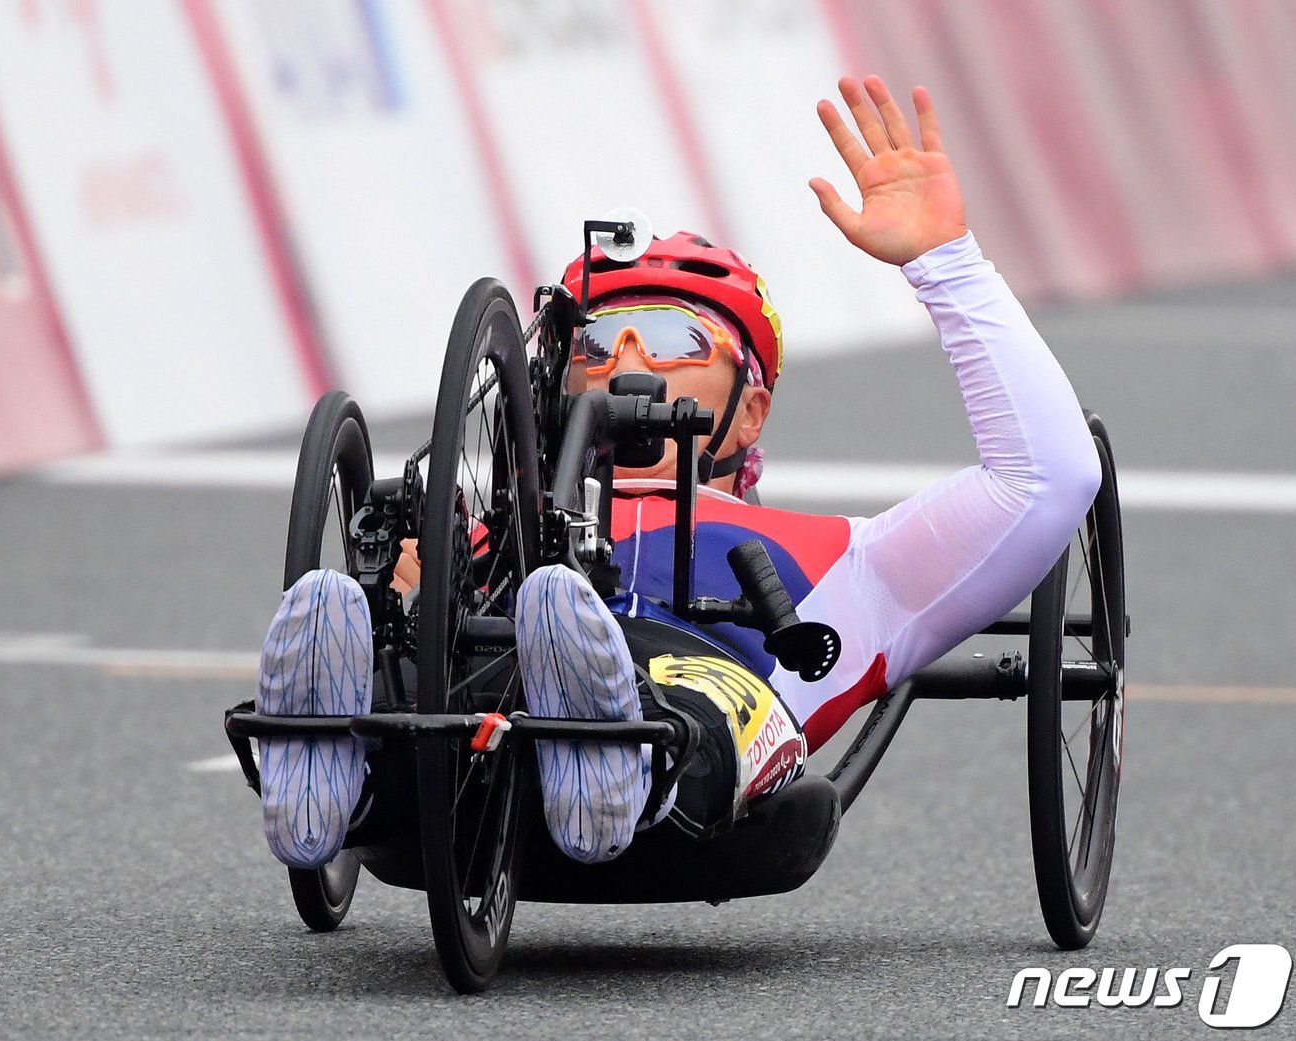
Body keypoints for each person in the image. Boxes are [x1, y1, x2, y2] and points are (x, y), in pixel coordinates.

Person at [254, 76, 1102, 871]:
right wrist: (403, 598)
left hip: (690, 716)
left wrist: (948, 263)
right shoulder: (486, 534)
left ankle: (614, 761)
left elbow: (1050, 479)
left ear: (750, 409)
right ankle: (341, 780)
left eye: (668, 336)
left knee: (687, 695)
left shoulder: (853, 564)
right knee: (402, 661)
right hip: (483, 716)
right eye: (596, 340)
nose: (626, 358)